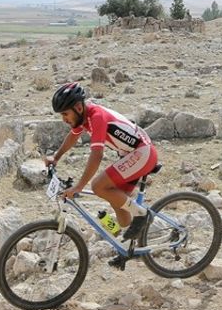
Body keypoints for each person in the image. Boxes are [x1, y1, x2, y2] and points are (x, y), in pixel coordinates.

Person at [44, 82, 157, 244]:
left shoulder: (97, 117)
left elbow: (97, 155)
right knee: (121, 210)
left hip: (143, 152)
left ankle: (143, 215)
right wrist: (56, 157)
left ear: (78, 107)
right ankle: (131, 247)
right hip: (131, 154)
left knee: (98, 186)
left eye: (65, 114)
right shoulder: (83, 117)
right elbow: (73, 136)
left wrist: (79, 187)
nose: (64, 119)